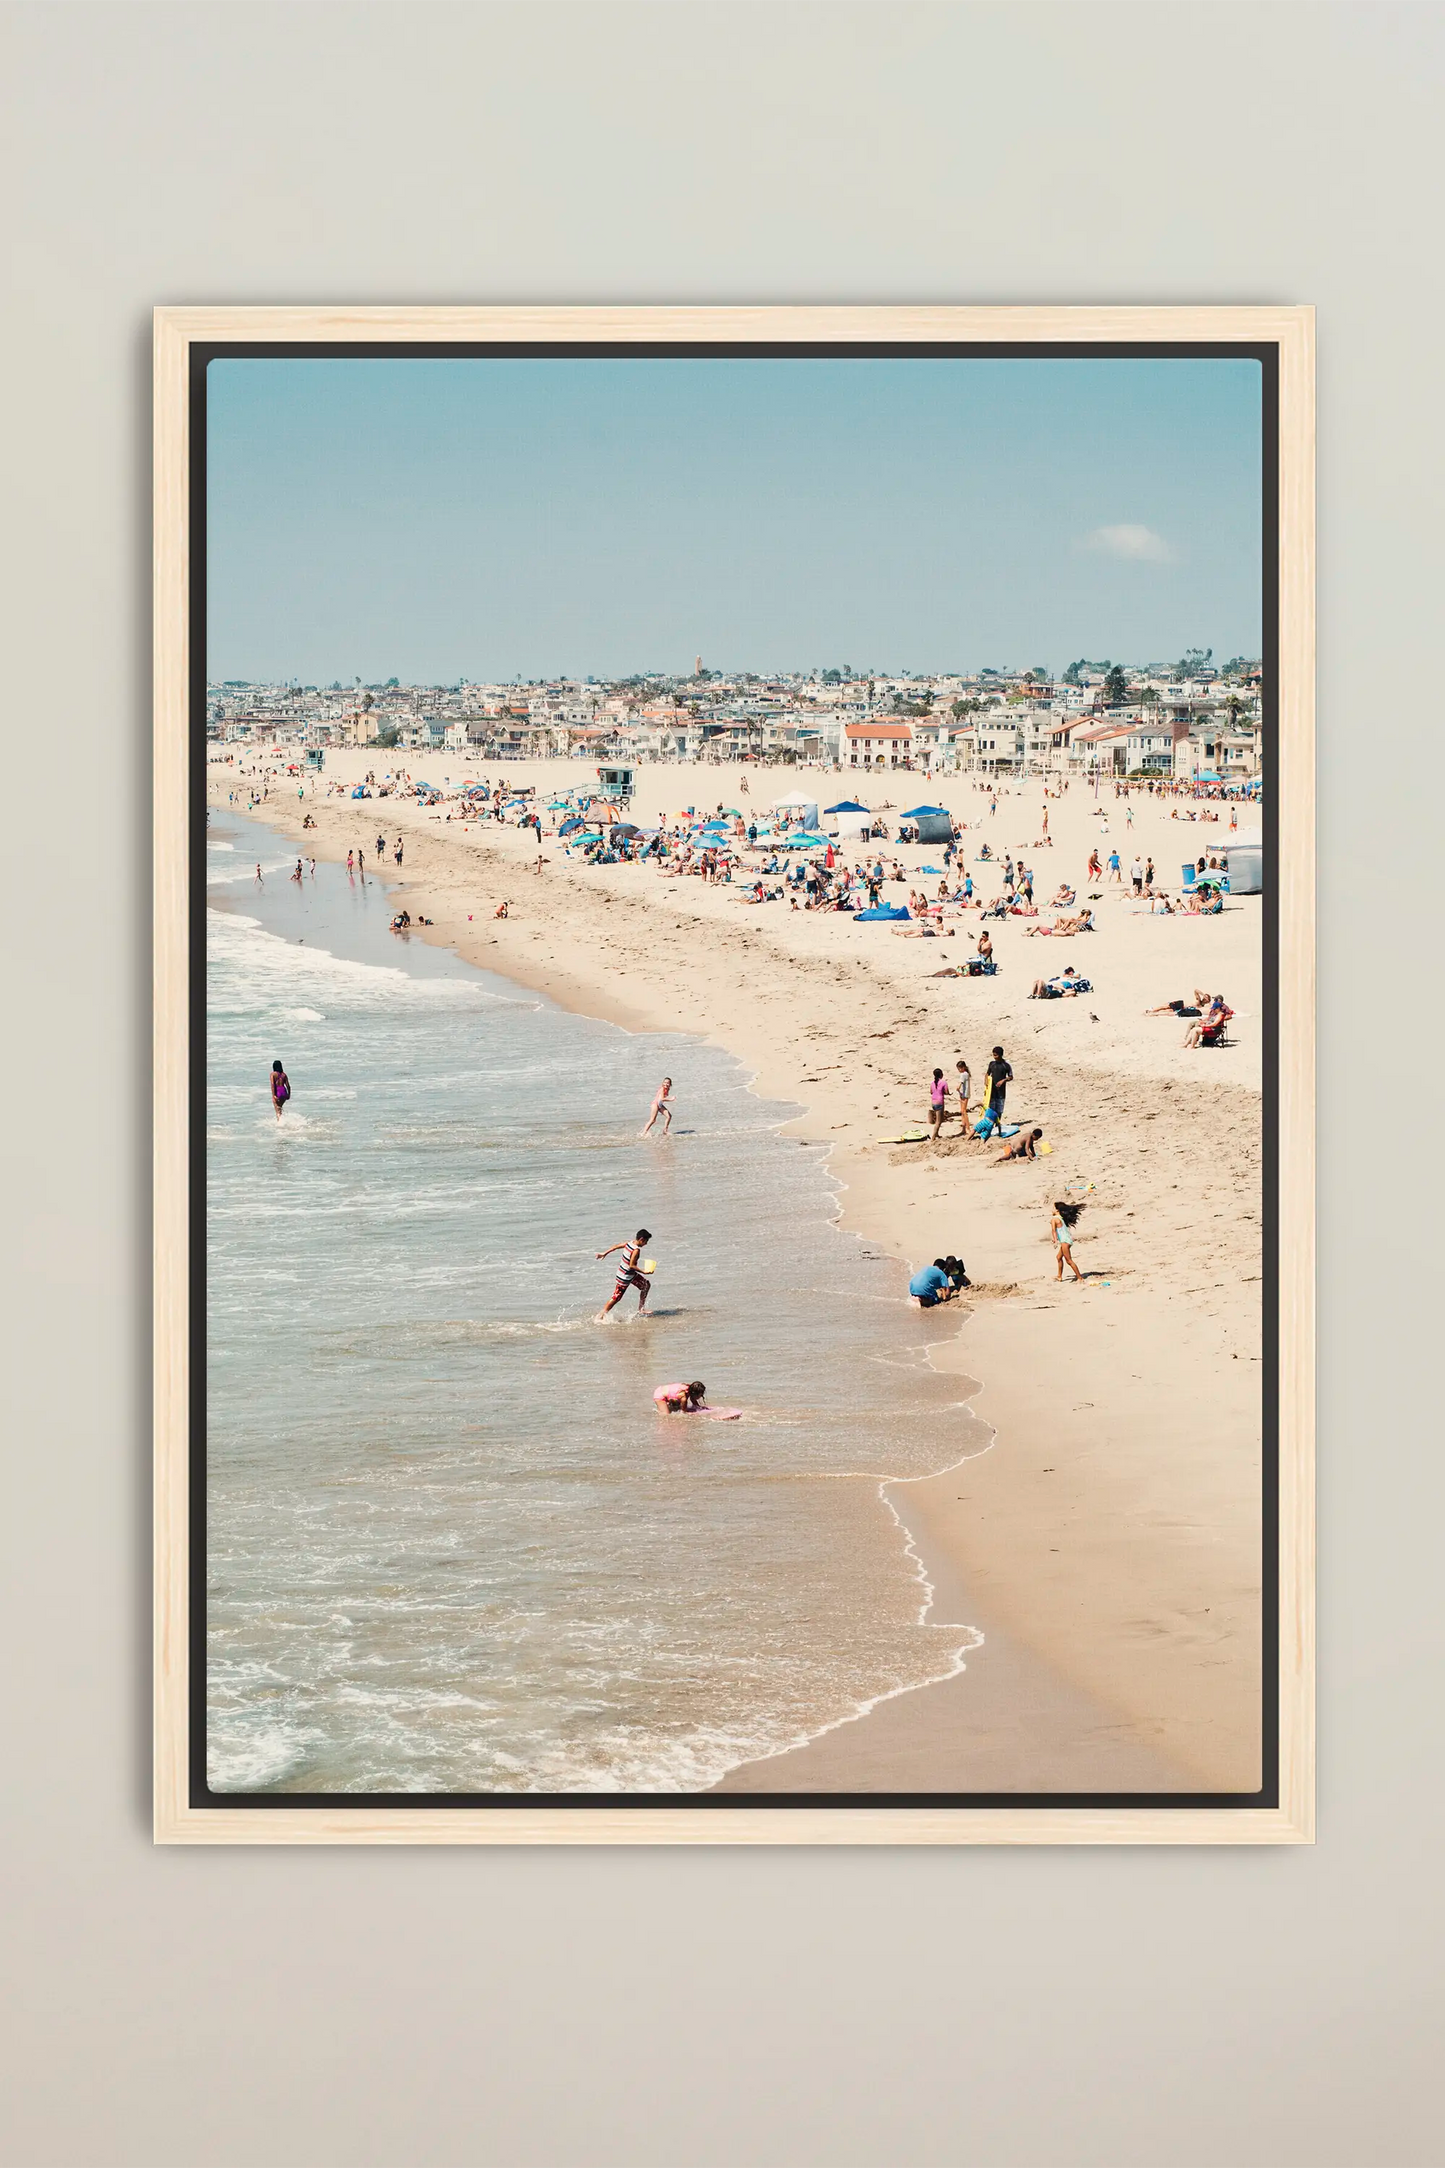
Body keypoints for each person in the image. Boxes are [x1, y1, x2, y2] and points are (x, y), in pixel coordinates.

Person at [595, 1228, 653, 1319]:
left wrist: (604, 1253)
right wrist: (644, 1271)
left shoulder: (629, 1243)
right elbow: (632, 1265)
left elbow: (615, 1246)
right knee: (616, 1297)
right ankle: (600, 1315)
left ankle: (641, 1309)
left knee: (646, 1285)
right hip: (625, 1276)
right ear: (641, 1239)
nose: (646, 1244)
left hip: (629, 1274)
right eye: (646, 1241)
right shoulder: (636, 1250)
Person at [1052, 1199, 1085, 1281]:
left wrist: (1055, 1240)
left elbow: (1053, 1231)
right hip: (1067, 1240)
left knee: (1069, 1261)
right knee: (1058, 1257)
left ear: (1057, 1210)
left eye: (1053, 1208)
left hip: (1065, 1242)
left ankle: (1080, 1278)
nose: (1051, 1209)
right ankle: (1059, 1276)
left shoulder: (1054, 1219)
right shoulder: (1061, 1218)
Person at [981, 1045, 1013, 1128]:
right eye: (993, 1055)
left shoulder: (1006, 1065)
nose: (994, 1057)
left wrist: (1003, 1080)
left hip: (1001, 1091)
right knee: (991, 1108)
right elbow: (987, 1073)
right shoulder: (992, 1064)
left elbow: (1010, 1077)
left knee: (999, 1109)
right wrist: (986, 1080)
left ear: (1001, 1055)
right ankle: (990, 1123)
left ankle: (997, 1123)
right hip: (992, 1090)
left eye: (996, 1055)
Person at [927, 1067, 948, 1141]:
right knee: (938, 1121)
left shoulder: (932, 1083)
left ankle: (937, 1134)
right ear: (941, 1075)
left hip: (933, 1102)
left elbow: (931, 1092)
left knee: (939, 1119)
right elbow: (946, 1092)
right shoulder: (943, 1082)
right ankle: (933, 1138)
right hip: (940, 1102)